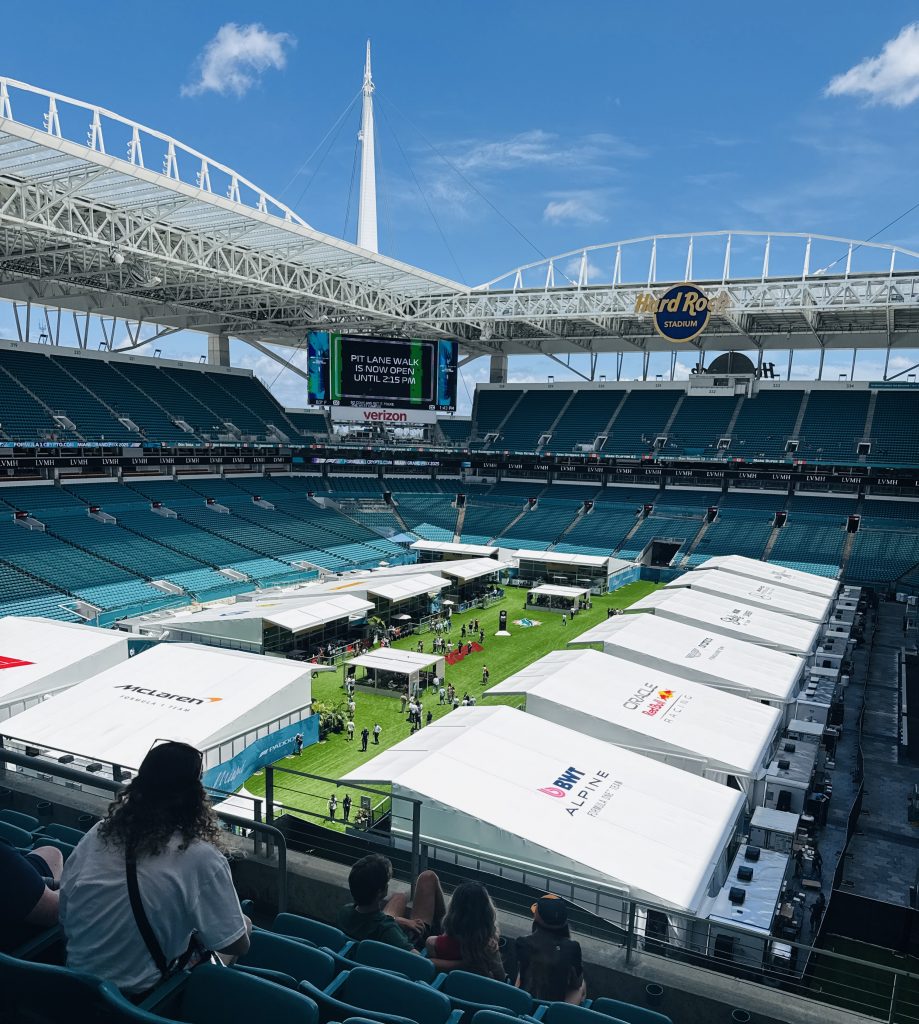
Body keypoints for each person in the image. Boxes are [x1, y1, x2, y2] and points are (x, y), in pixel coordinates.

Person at [60, 741, 251, 998]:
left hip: (75, 984)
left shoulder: (99, 833)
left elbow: (65, 908)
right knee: (245, 925)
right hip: (143, 998)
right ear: (195, 795)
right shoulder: (201, 857)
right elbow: (236, 945)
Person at [337, 854, 445, 952]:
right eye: (387, 881)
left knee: (399, 897)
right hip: (406, 945)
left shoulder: (344, 912)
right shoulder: (388, 930)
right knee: (428, 877)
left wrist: (396, 920)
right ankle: (444, 931)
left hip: (365, 950)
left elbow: (373, 921)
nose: (388, 884)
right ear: (380, 892)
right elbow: (419, 962)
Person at [515, 894, 585, 1004]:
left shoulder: (522, 943)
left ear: (536, 918)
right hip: (554, 1006)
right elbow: (577, 983)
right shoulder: (572, 948)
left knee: (523, 971)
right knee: (581, 986)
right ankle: (564, 1013)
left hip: (526, 1002)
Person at [426, 881, 505, 978]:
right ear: (487, 914)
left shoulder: (433, 943)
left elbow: (430, 969)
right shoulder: (489, 947)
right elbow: (500, 977)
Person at [0, 838, 63, 953]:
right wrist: (75, 884)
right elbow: (54, 910)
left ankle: (42, 886)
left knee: (52, 853)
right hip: (12, 944)